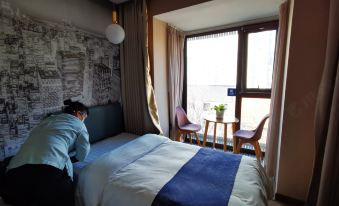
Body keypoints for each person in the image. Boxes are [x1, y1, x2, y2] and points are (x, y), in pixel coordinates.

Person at [2, 100, 90, 206]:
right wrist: (74, 159)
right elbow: (84, 151)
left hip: (14, 175)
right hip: (49, 174)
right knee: (75, 181)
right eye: (84, 117)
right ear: (78, 113)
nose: (84, 120)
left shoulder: (48, 119)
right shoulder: (79, 124)